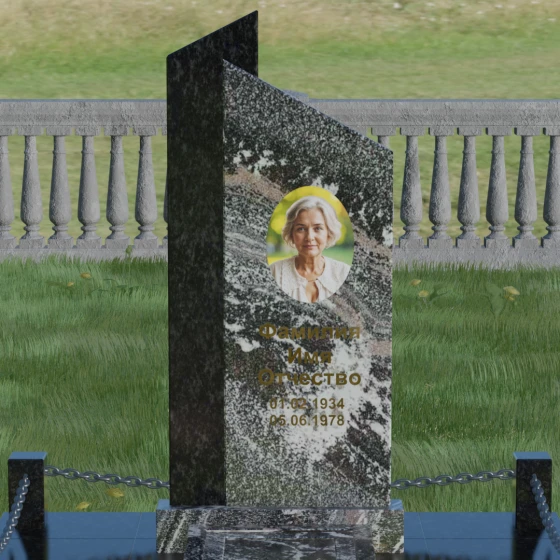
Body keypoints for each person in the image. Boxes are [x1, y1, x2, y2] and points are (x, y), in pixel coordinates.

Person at [270, 195, 351, 303]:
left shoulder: (343, 273)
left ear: (328, 233)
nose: (309, 237)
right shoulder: (275, 272)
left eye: (318, 228)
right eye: (301, 229)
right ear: (291, 234)